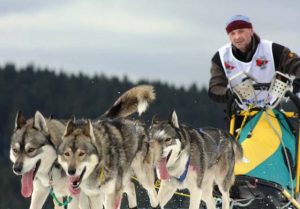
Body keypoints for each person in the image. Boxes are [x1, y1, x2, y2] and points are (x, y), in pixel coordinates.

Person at [208, 14, 300, 106]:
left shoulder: (273, 50)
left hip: (272, 111)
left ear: (251, 31)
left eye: (241, 31)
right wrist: (231, 94)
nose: (237, 37)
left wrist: (295, 85)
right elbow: (215, 88)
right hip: (240, 113)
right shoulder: (221, 57)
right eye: (232, 33)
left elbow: (297, 65)